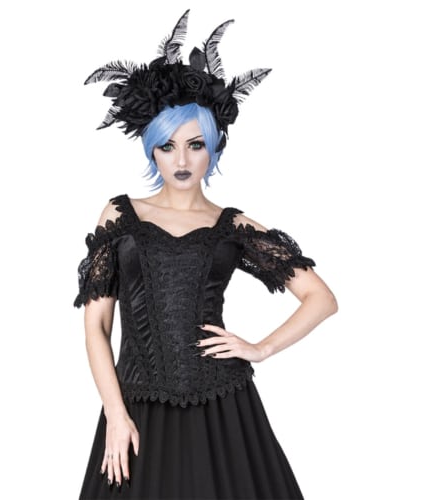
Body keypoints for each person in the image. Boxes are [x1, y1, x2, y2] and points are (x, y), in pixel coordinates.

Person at [73, 10, 338, 500]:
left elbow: (321, 298)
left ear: (213, 148)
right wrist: (115, 413)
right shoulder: (120, 214)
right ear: (151, 149)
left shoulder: (232, 227)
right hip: (136, 406)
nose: (181, 160)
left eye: (195, 145)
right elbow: (97, 327)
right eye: (167, 145)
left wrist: (260, 348)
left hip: (224, 404)